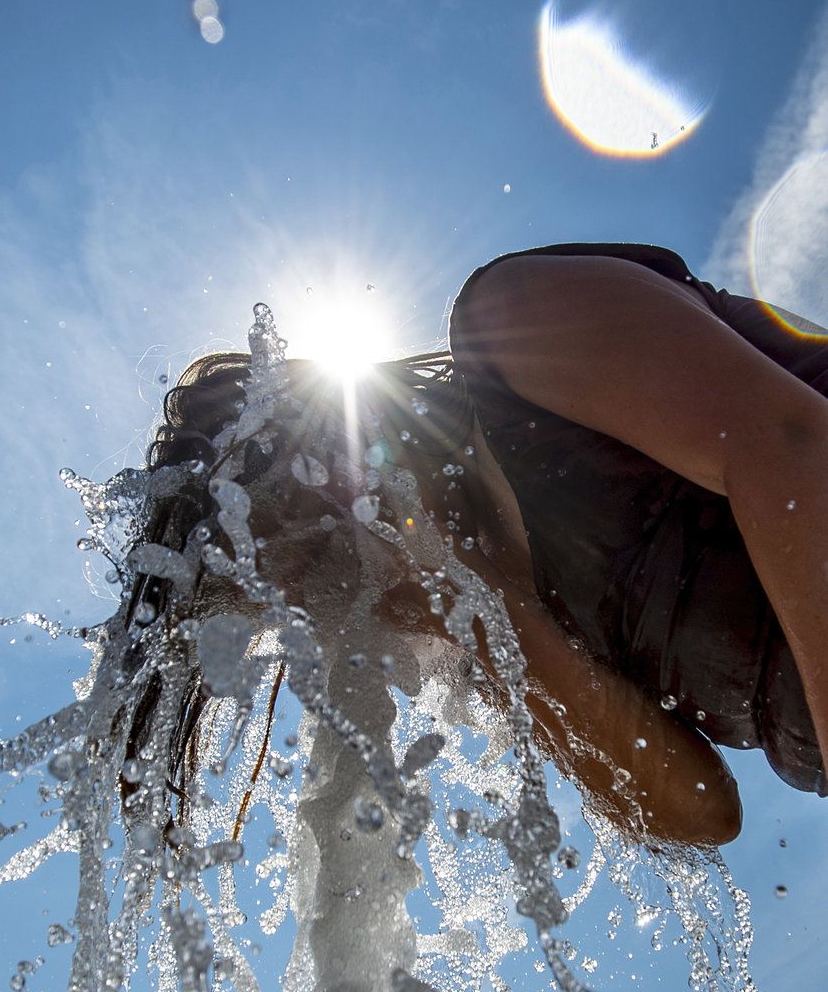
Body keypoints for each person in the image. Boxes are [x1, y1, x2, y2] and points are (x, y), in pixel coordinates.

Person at [140, 242, 828, 849]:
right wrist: (481, 607)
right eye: (314, 608)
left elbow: (792, 446)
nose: (350, 593)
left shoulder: (512, 324)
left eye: (320, 553)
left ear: (323, 436)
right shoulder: (495, 626)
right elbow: (699, 809)